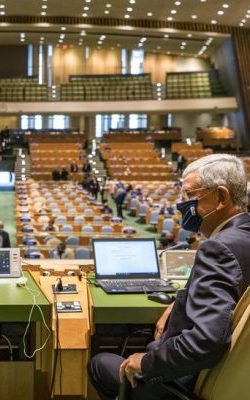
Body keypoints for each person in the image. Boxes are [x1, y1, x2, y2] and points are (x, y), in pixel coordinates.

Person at [89, 154, 250, 400]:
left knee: (101, 363)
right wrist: (179, 303)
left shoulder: (217, 249)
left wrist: (147, 363)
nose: (180, 204)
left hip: (188, 380)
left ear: (221, 197)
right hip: (233, 379)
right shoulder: (242, 237)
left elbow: (206, 341)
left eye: (189, 195)